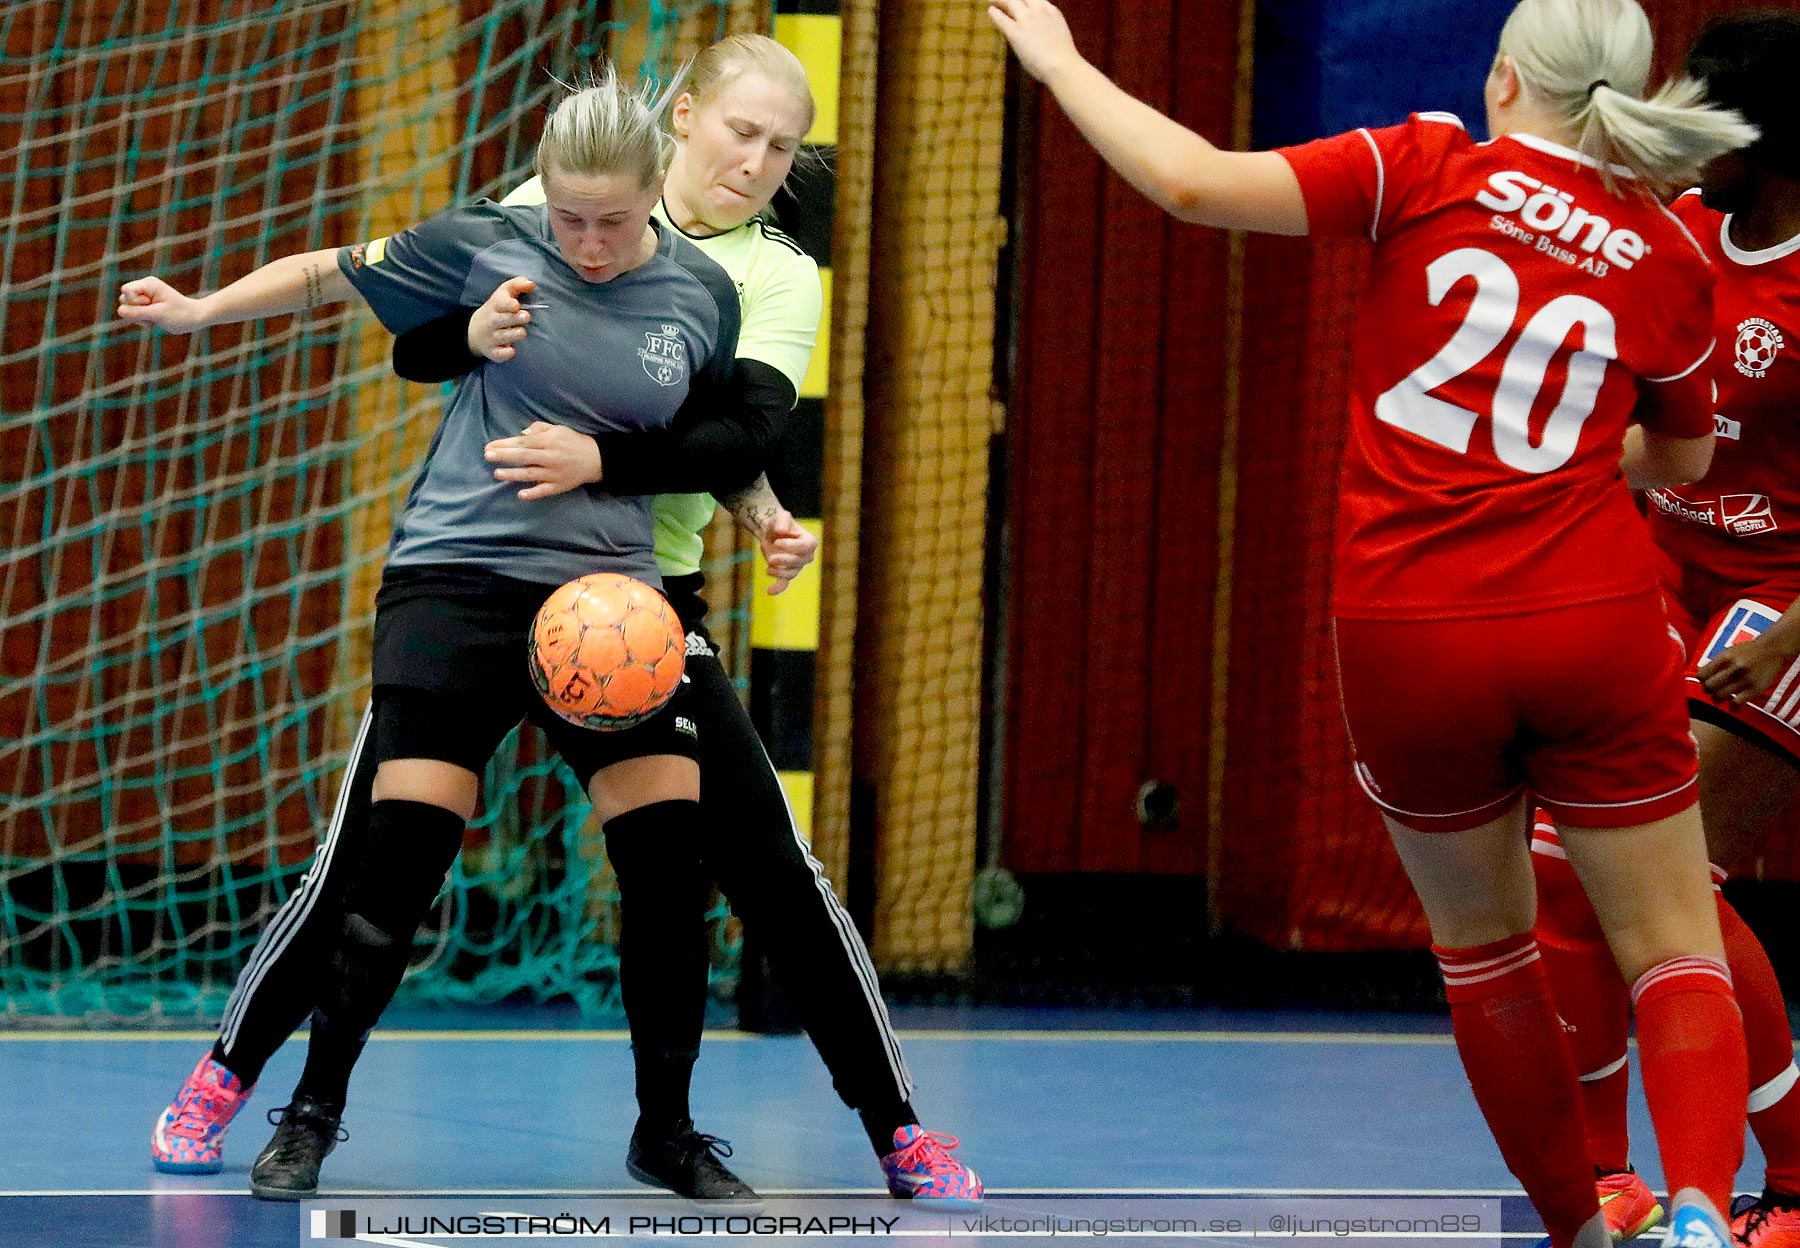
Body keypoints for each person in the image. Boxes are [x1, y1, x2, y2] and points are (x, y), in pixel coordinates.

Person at [146, 35, 982, 1205]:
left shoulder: (755, 280)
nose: (759, 160)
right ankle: (243, 1081)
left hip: (637, 600)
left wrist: (741, 506)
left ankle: (882, 1131)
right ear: (682, 119)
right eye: (742, 130)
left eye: (784, 146)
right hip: (476, 577)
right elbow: (418, 328)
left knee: (754, 870)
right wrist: (415, 331)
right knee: (376, 857)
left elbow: (734, 433)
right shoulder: (546, 203)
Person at [987, 1, 1756, 1245]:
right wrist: (1566, 458)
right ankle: (1702, 1215)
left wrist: (1065, 61)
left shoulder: (1423, 164)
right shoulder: (1668, 250)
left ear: (1504, 78)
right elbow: (1683, 452)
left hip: (1409, 629)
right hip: (1588, 615)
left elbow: (1189, 184)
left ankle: (1578, 1228)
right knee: (1672, 942)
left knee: (1484, 953)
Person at [123, 64, 753, 1201]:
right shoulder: (489, 242)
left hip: (607, 606)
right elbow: (331, 271)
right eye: (570, 218)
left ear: (657, 189)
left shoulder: (702, 294)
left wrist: (765, 515)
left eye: (614, 220)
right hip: (458, 578)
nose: (590, 243)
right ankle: (308, 1116)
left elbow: (713, 434)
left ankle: (667, 1130)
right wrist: (204, 310)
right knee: (400, 852)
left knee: (667, 861)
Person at [1527, 13, 1800, 1245]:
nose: (1679, 121)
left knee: (1671, 883)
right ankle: (1605, 1180)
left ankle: (1792, 1182)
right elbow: (1652, 435)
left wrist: (1790, 639)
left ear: (1769, 135)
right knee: (1559, 865)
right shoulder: (1686, 235)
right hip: (1670, 585)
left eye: (1706, 104)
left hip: (1786, 607)